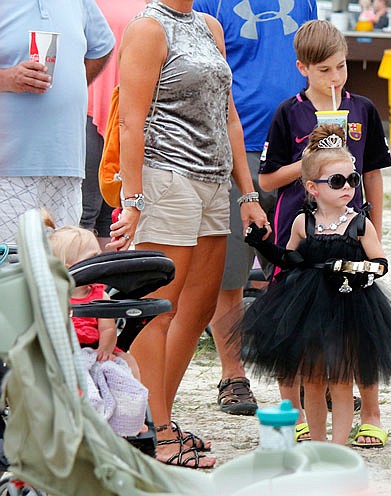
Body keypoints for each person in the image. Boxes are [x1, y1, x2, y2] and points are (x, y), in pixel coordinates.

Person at [110, 0, 268, 468]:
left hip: (214, 181)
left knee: (197, 308)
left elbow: (230, 116)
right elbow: (130, 120)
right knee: (159, 311)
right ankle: (152, 429)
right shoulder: (148, 27)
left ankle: (158, 418)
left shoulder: (209, 25)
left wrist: (248, 192)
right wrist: (133, 199)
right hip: (166, 179)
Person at [258, 19, 391, 446]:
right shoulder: (288, 112)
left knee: (358, 323)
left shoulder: (362, 110)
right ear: (303, 68)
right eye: (324, 70)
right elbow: (267, 181)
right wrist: (313, 158)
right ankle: (293, 411)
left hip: (349, 231)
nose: (335, 77)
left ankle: (369, 411)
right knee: (291, 323)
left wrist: (376, 227)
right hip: (299, 229)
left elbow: (372, 173)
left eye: (341, 67)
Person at [242, 123, 391, 445]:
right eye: (337, 181)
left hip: (350, 305)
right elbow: (291, 260)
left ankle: (339, 447)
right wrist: (263, 245)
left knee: (341, 380)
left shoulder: (359, 224)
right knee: (313, 378)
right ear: (313, 187)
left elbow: (380, 264)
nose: (347, 187)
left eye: (353, 179)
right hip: (307, 306)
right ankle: (318, 443)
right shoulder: (302, 222)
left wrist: (349, 268)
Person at [191, 0, 317, 417]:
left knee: (302, 271)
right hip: (233, 151)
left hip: (297, 149)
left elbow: (314, 59)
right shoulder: (209, 4)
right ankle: (233, 374)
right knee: (228, 272)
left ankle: (311, 378)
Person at [0, 0, 114, 242]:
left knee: (62, 267)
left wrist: (70, 89)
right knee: (9, 269)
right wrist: (7, 78)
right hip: (9, 165)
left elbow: (101, 46)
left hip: (66, 162)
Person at [81, 0, 148, 250]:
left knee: (113, 204)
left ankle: (104, 284)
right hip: (91, 107)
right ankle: (78, 282)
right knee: (87, 207)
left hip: (132, 109)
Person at [48, 224, 140, 379]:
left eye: (98, 256)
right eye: (91, 259)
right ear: (68, 267)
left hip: (95, 347)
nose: (97, 263)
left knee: (129, 361)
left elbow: (108, 329)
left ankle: (133, 400)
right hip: (62, 351)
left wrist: (104, 350)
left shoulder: (100, 295)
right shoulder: (52, 296)